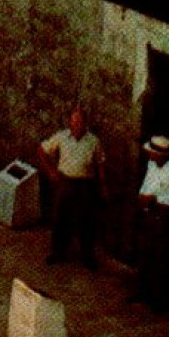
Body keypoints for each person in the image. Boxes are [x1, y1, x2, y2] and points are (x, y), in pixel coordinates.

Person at [38, 106, 107, 269]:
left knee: (86, 220)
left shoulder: (93, 141)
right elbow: (41, 150)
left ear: (85, 123)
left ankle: (87, 255)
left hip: (85, 184)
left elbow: (100, 164)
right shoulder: (61, 137)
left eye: (80, 122)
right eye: (74, 121)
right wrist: (51, 172)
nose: (77, 125)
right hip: (65, 182)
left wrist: (103, 186)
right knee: (60, 217)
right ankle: (58, 252)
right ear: (69, 122)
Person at [132, 134, 169, 311]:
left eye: (154, 154)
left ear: (163, 155)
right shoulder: (151, 165)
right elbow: (147, 185)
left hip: (163, 218)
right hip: (147, 215)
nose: (150, 156)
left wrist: (156, 199)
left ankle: (159, 300)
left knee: (160, 259)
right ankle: (141, 293)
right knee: (144, 255)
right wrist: (142, 199)